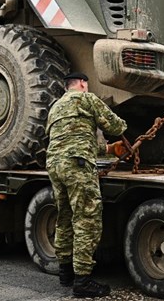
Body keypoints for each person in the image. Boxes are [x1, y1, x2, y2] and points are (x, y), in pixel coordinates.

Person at [46, 71, 127, 298]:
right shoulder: (87, 99)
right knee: (86, 219)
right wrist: (126, 129)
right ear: (82, 83)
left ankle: (65, 273)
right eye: (87, 84)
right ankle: (82, 280)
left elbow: (74, 138)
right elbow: (114, 125)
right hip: (77, 165)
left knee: (64, 217)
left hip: (55, 165)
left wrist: (109, 150)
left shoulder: (56, 107)